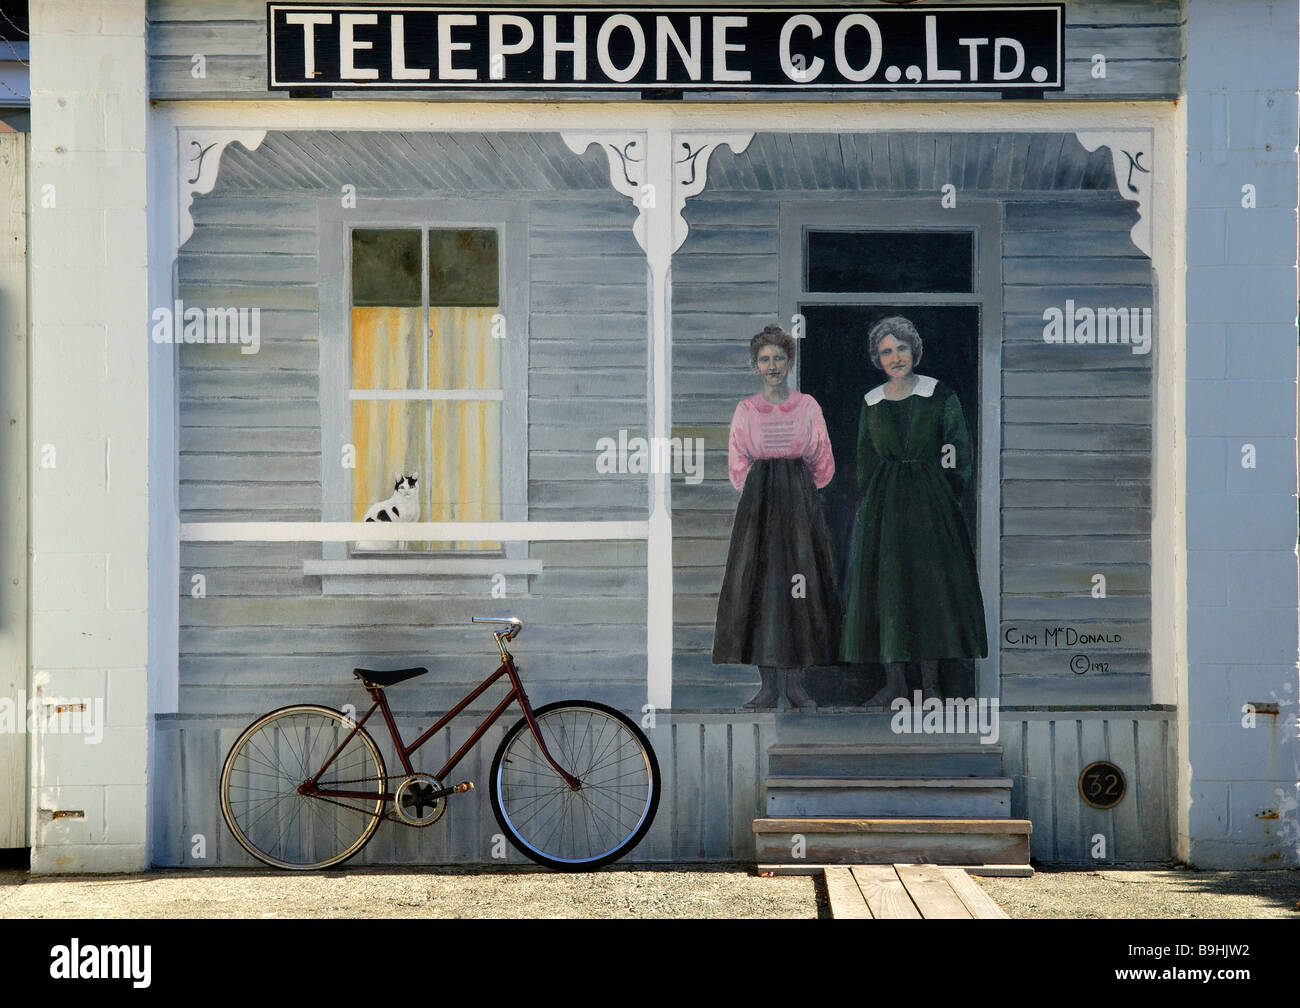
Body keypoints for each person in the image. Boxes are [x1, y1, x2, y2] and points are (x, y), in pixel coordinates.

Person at [839, 316, 988, 704]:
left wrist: (939, 494)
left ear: (913, 351)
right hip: (884, 513)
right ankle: (896, 684)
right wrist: (875, 502)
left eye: (901, 348)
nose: (895, 357)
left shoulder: (940, 395)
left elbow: (959, 455)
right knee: (890, 593)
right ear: (878, 359)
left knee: (930, 592)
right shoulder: (871, 402)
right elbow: (864, 459)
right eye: (886, 351)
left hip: (930, 507)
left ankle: (933, 686)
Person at [712, 324, 841, 710]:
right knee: (763, 587)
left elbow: (822, 457)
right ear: (755, 366)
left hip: (799, 501)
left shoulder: (807, 406)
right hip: (760, 504)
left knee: (800, 585)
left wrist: (803, 492)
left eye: (779, 358)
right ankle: (768, 686)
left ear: (789, 362)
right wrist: (757, 493)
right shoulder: (746, 409)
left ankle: (797, 686)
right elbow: (737, 460)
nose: (773, 366)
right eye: (765, 359)